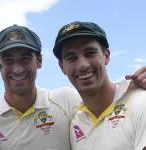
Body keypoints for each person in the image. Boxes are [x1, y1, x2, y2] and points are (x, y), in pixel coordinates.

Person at [0, 24, 146, 150]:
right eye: (8, 59)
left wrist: (136, 86)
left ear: (39, 61)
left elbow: (109, 98)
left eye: (25, 58)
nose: (18, 68)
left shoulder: (66, 101)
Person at [53, 21, 146, 150]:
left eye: (90, 53)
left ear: (106, 56)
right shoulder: (74, 119)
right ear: (62, 67)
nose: (83, 65)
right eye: (71, 57)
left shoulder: (140, 102)